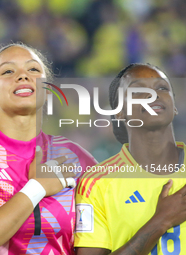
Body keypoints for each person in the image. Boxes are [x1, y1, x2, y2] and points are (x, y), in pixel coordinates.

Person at [0, 43, 97, 255]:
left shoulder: (75, 157)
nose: (23, 76)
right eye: (8, 71)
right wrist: (37, 187)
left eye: (33, 70)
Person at [75, 63, 186, 254]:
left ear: (174, 106)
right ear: (120, 111)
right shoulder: (96, 183)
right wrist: (161, 221)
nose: (153, 95)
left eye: (162, 88)